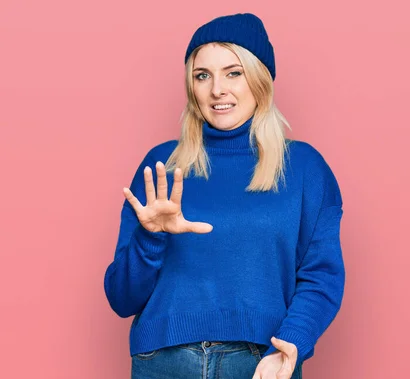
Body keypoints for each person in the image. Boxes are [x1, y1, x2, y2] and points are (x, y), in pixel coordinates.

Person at [103, 12, 345, 379]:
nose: (217, 89)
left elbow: (321, 276)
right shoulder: (162, 166)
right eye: (203, 76)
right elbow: (122, 299)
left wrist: (294, 339)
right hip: (164, 364)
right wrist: (151, 237)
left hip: (260, 361)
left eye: (234, 72)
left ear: (259, 78)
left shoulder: (304, 168)